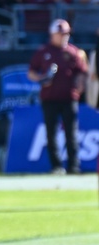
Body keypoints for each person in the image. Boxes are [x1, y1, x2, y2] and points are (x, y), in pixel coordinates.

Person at [27, 18, 88, 174]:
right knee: (51, 133)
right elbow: (31, 72)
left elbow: (82, 72)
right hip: (49, 97)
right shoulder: (43, 51)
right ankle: (56, 166)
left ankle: (74, 166)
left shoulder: (74, 51)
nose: (64, 36)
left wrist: (81, 84)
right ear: (52, 34)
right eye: (60, 33)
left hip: (69, 97)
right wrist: (41, 79)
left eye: (66, 33)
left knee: (71, 133)